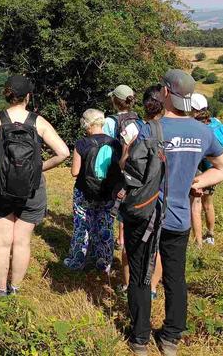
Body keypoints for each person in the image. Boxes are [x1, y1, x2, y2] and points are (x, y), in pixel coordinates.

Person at [124, 71, 223, 355]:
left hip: (147, 216)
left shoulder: (150, 129)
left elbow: (129, 169)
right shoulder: (203, 132)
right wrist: (198, 182)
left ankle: (139, 339)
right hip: (180, 217)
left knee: (141, 275)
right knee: (175, 276)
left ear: (165, 92)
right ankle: (171, 338)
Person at [0, 75, 70, 296]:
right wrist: (38, 169)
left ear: (7, 94)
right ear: (28, 96)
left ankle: (0, 289)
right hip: (32, 190)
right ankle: (15, 289)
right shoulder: (38, 122)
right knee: (22, 242)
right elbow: (63, 153)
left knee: (1, 243)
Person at [118, 85, 165, 299]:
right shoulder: (167, 129)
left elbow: (123, 163)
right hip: (161, 195)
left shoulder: (133, 129)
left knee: (130, 244)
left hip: (136, 195)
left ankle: (128, 285)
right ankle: (152, 288)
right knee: (157, 246)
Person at [64, 109, 121, 273]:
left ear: (86, 124)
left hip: (84, 191)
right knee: (105, 226)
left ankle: (77, 261)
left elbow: (74, 172)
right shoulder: (115, 143)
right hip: (107, 193)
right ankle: (103, 263)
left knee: (82, 226)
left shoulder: (81, 143)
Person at [189, 93, 223, 248]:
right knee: (208, 203)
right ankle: (210, 234)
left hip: (201, 168)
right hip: (216, 170)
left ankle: (198, 244)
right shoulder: (216, 122)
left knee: (195, 204)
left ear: (193, 110)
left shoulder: (196, 128)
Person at [103, 85, 141, 268]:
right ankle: (122, 237)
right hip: (135, 169)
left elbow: (104, 146)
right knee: (127, 203)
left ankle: (114, 241)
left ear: (114, 101)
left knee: (113, 205)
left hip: (116, 168)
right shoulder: (139, 119)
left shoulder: (110, 121)